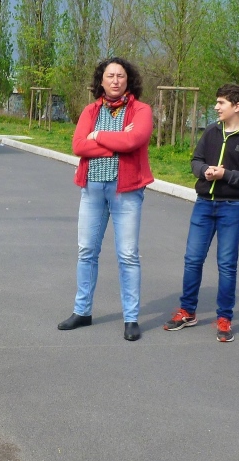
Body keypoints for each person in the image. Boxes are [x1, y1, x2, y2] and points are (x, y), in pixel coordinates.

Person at [57, 57, 153, 341]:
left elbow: (134, 141)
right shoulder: (91, 110)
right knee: (86, 251)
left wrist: (97, 135)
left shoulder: (141, 110)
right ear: (101, 80)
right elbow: (78, 146)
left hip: (127, 190)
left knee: (128, 255)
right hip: (93, 189)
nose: (115, 81)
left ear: (128, 80)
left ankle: (131, 318)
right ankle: (82, 311)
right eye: (110, 76)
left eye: (120, 76)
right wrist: (116, 144)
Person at [163, 84, 239, 342]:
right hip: (203, 204)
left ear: (237, 106)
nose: (216, 107)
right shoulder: (211, 131)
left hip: (233, 207)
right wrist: (204, 171)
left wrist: (226, 175)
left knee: (227, 265)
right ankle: (187, 311)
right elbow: (195, 161)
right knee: (192, 260)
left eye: (221, 103)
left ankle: (224, 318)